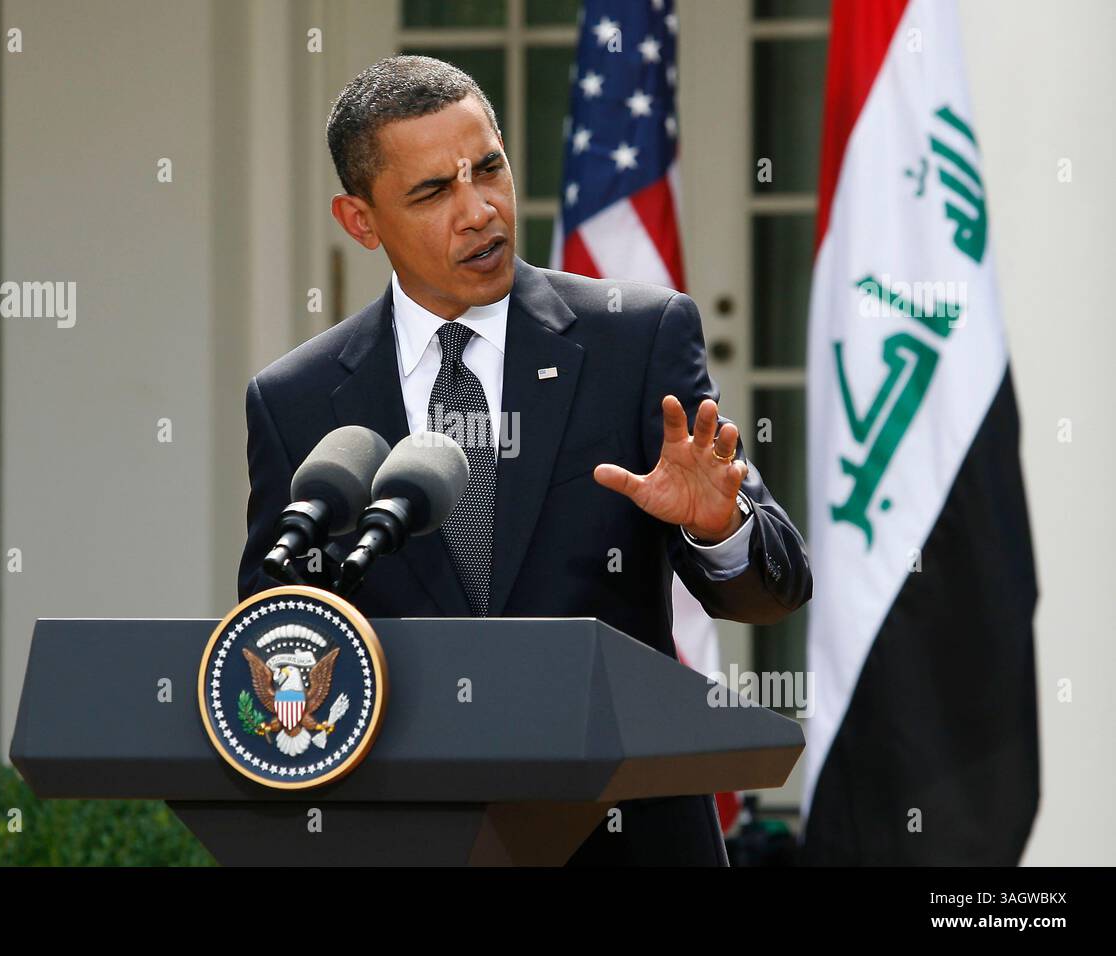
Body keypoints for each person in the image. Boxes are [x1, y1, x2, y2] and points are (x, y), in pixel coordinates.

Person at [237, 55, 812, 865]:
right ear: (359, 221)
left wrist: (721, 526)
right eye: (434, 192)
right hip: (405, 838)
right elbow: (278, 618)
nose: (478, 210)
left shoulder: (635, 340)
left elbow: (773, 592)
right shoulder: (293, 399)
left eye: (490, 170)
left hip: (626, 838)